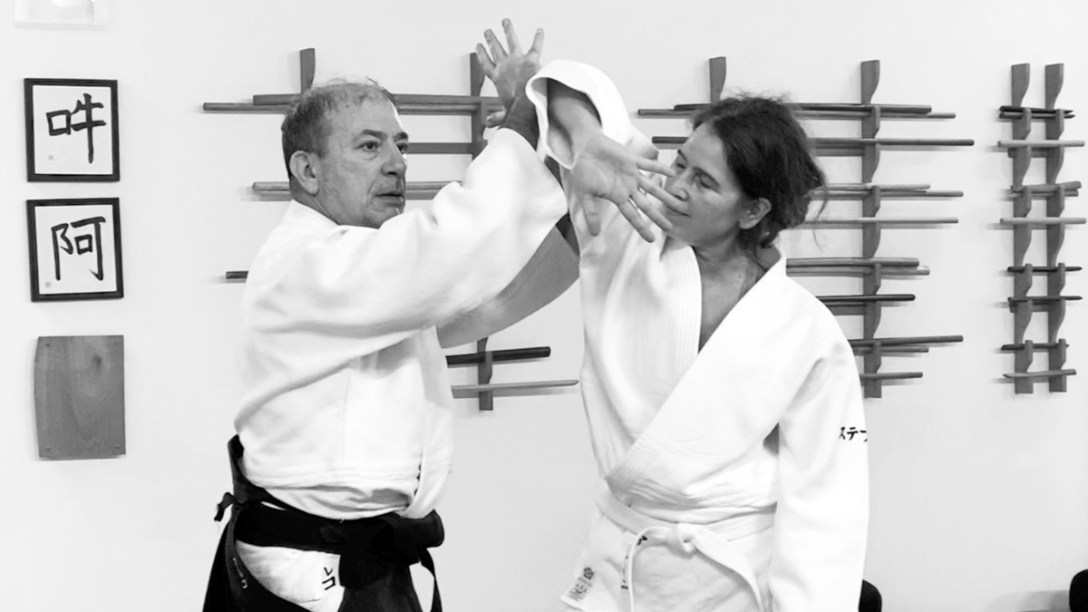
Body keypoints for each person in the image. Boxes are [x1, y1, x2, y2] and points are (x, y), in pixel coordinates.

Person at [200, 22, 608, 612]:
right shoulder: (308, 264)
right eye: (370, 147)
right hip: (314, 571)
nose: (396, 164)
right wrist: (523, 119)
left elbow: (492, 300)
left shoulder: (370, 275)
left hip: (365, 557)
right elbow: (448, 248)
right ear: (307, 171)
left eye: (401, 145)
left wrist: (583, 213)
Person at [516, 60, 870, 611]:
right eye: (679, 163)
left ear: (752, 210)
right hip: (622, 565)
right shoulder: (624, 231)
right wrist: (584, 137)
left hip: (727, 579)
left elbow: (827, 497)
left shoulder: (807, 331)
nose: (675, 186)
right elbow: (567, 88)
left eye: (703, 182)